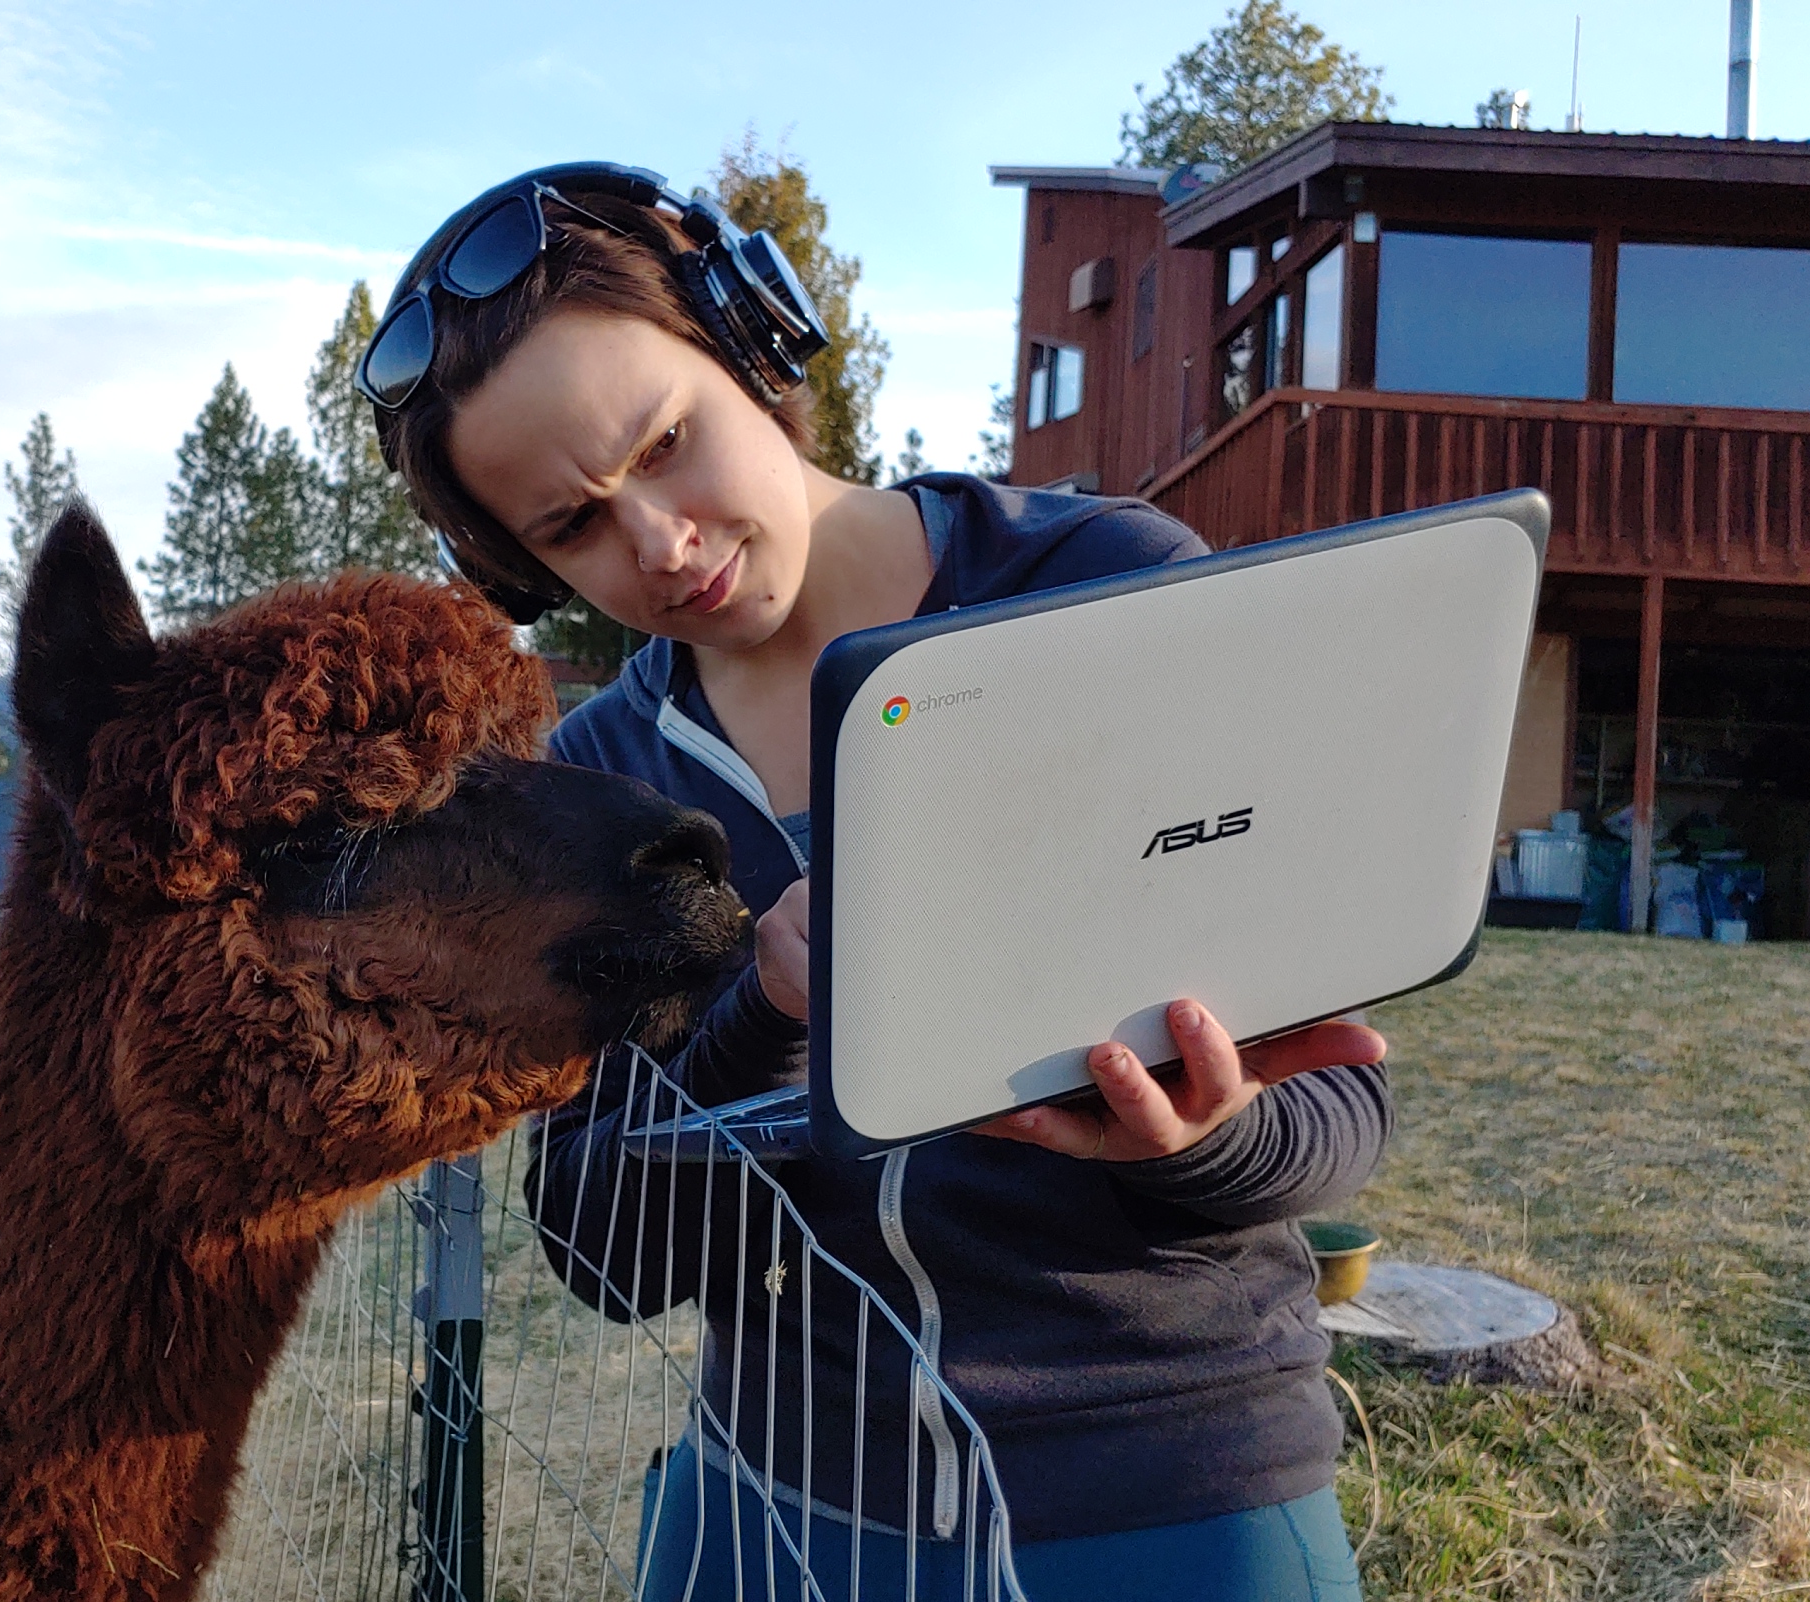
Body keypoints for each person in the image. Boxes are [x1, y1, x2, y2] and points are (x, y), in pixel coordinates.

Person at [361, 163, 1391, 1602]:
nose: (661, 545)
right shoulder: (600, 783)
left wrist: (1197, 1140)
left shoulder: (1103, 591)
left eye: (666, 442)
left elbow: (1341, 1114)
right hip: (773, 1512)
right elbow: (598, 1244)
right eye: (573, 527)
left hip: (1168, 1496)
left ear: (754, 341)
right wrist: (762, 1021)